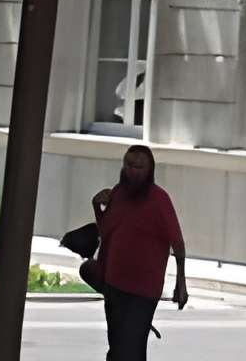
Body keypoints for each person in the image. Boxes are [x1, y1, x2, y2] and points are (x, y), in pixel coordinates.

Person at [88, 143, 187, 359]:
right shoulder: (117, 193)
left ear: (150, 170)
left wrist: (181, 282)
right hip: (115, 284)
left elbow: (177, 243)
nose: (133, 171)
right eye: (129, 165)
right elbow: (106, 233)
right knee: (118, 347)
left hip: (143, 290)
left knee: (129, 350)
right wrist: (98, 207)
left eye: (140, 167)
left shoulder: (159, 199)